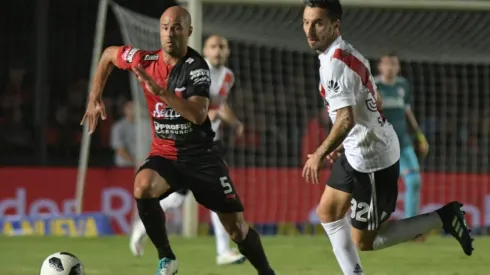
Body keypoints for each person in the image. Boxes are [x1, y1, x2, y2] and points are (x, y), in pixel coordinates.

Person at [80, 6, 275, 275]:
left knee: (237, 229)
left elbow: (198, 114)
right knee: (142, 186)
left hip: (202, 158)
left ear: (189, 32)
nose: (170, 34)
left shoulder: (197, 68)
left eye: (177, 28)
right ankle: (166, 257)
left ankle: (267, 271)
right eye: (165, 28)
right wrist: (94, 97)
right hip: (166, 153)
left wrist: (161, 93)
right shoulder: (144, 59)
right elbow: (108, 55)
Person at [300, 1, 473, 274]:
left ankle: (443, 216)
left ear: (335, 26)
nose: (310, 30)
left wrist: (320, 153)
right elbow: (374, 99)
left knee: (365, 241)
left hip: (371, 161)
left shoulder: (335, 65)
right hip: (357, 150)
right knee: (328, 213)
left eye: (318, 22)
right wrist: (343, 142)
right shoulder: (348, 53)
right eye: (306, 22)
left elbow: (345, 119)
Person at [129, 34, 246, 266]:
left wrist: (234, 122)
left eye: (222, 46)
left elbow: (218, 108)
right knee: (194, 197)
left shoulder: (228, 77)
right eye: (213, 46)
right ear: (204, 50)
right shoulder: (194, 70)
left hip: (206, 144)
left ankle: (143, 227)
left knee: (187, 199)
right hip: (184, 143)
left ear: (228, 51)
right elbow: (184, 105)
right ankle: (144, 224)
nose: (218, 51)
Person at [375, 53, 428, 224]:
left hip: (403, 143)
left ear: (398, 67)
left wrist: (419, 135)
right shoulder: (372, 85)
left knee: (414, 181)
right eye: (387, 64)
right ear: (380, 66)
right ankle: (368, 224)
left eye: (394, 64)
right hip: (379, 146)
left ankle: (410, 226)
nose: (390, 68)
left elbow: (407, 111)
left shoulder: (403, 85)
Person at [111, 100, 136, 167]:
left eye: (135, 107)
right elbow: (120, 150)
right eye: (130, 108)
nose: (133, 110)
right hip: (124, 166)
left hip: (143, 166)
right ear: (125, 110)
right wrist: (135, 162)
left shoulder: (145, 125)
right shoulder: (118, 126)